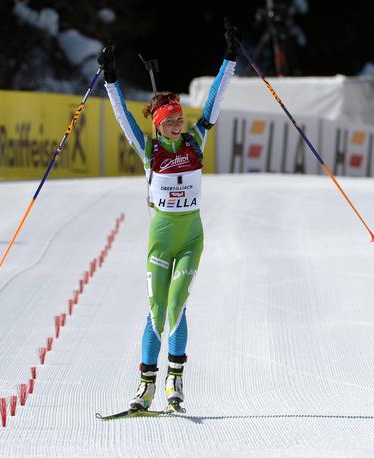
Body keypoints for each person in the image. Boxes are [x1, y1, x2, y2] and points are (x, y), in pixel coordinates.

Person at [98, 21, 239, 411]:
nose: (178, 123)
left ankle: (175, 382)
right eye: (170, 120)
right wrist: (111, 80)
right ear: (159, 124)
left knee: (176, 306)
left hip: (190, 237)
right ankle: (145, 387)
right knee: (157, 313)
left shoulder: (196, 141)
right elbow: (124, 117)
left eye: (179, 117)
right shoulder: (150, 151)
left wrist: (229, 58)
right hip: (160, 239)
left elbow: (213, 101)